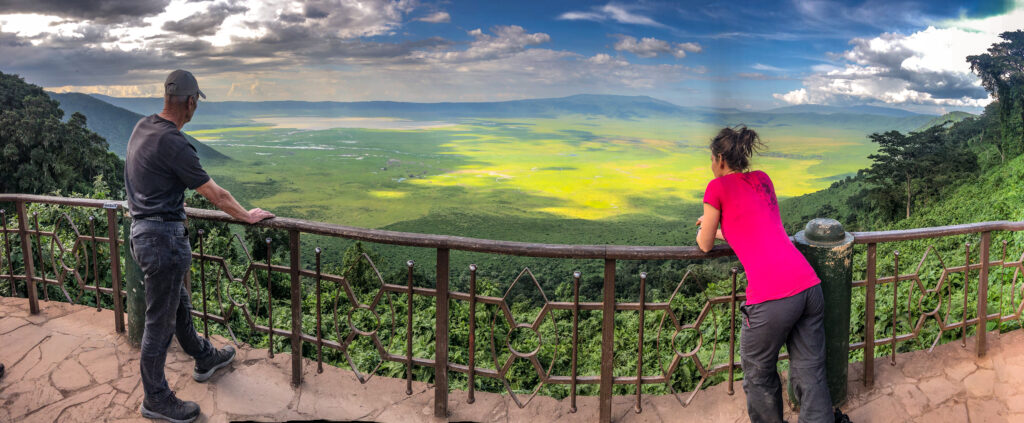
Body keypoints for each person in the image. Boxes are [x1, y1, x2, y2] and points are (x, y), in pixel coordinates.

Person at [126, 69, 275, 423]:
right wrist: (247, 216)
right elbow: (215, 194)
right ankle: (156, 399)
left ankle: (205, 357)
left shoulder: (142, 126)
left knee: (178, 308)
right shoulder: (175, 142)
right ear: (191, 102)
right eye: (196, 104)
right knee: (159, 324)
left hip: (142, 233)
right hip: (163, 241)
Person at [695, 126, 833, 423]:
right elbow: (759, 228)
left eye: (711, 159)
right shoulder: (763, 180)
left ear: (720, 158)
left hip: (771, 299)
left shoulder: (715, 187)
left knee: (758, 376)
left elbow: (704, 245)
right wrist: (723, 229)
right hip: (809, 287)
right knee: (811, 371)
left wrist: (706, 227)